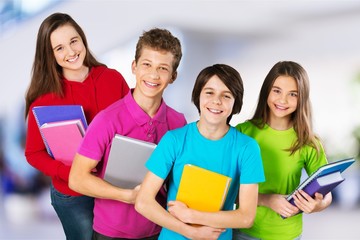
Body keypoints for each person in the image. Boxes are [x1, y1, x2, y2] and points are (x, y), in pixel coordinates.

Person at [68, 28, 187, 239]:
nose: (153, 75)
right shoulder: (107, 119)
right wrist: (127, 196)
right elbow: (77, 179)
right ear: (134, 67)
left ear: (173, 76)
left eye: (162, 68)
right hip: (111, 233)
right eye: (147, 64)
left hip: (158, 230)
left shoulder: (178, 122)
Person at [24, 12, 129, 240]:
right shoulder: (44, 100)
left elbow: (131, 125)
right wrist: (67, 172)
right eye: (59, 48)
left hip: (112, 186)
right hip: (72, 193)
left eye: (73, 41)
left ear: (82, 39)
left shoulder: (112, 79)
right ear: (50, 55)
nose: (71, 52)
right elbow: (33, 153)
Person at [135, 64, 265, 239]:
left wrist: (192, 216)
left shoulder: (247, 148)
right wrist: (191, 231)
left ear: (235, 103)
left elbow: (246, 217)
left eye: (226, 96)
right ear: (198, 96)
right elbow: (143, 202)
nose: (217, 101)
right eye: (209, 92)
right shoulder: (174, 140)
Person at [233, 61, 332, 240]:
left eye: (293, 94)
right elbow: (227, 190)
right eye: (277, 90)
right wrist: (267, 200)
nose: (283, 100)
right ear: (266, 92)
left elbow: (327, 194)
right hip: (244, 231)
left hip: (288, 235)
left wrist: (317, 205)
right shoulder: (243, 132)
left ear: (302, 98)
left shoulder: (308, 141)